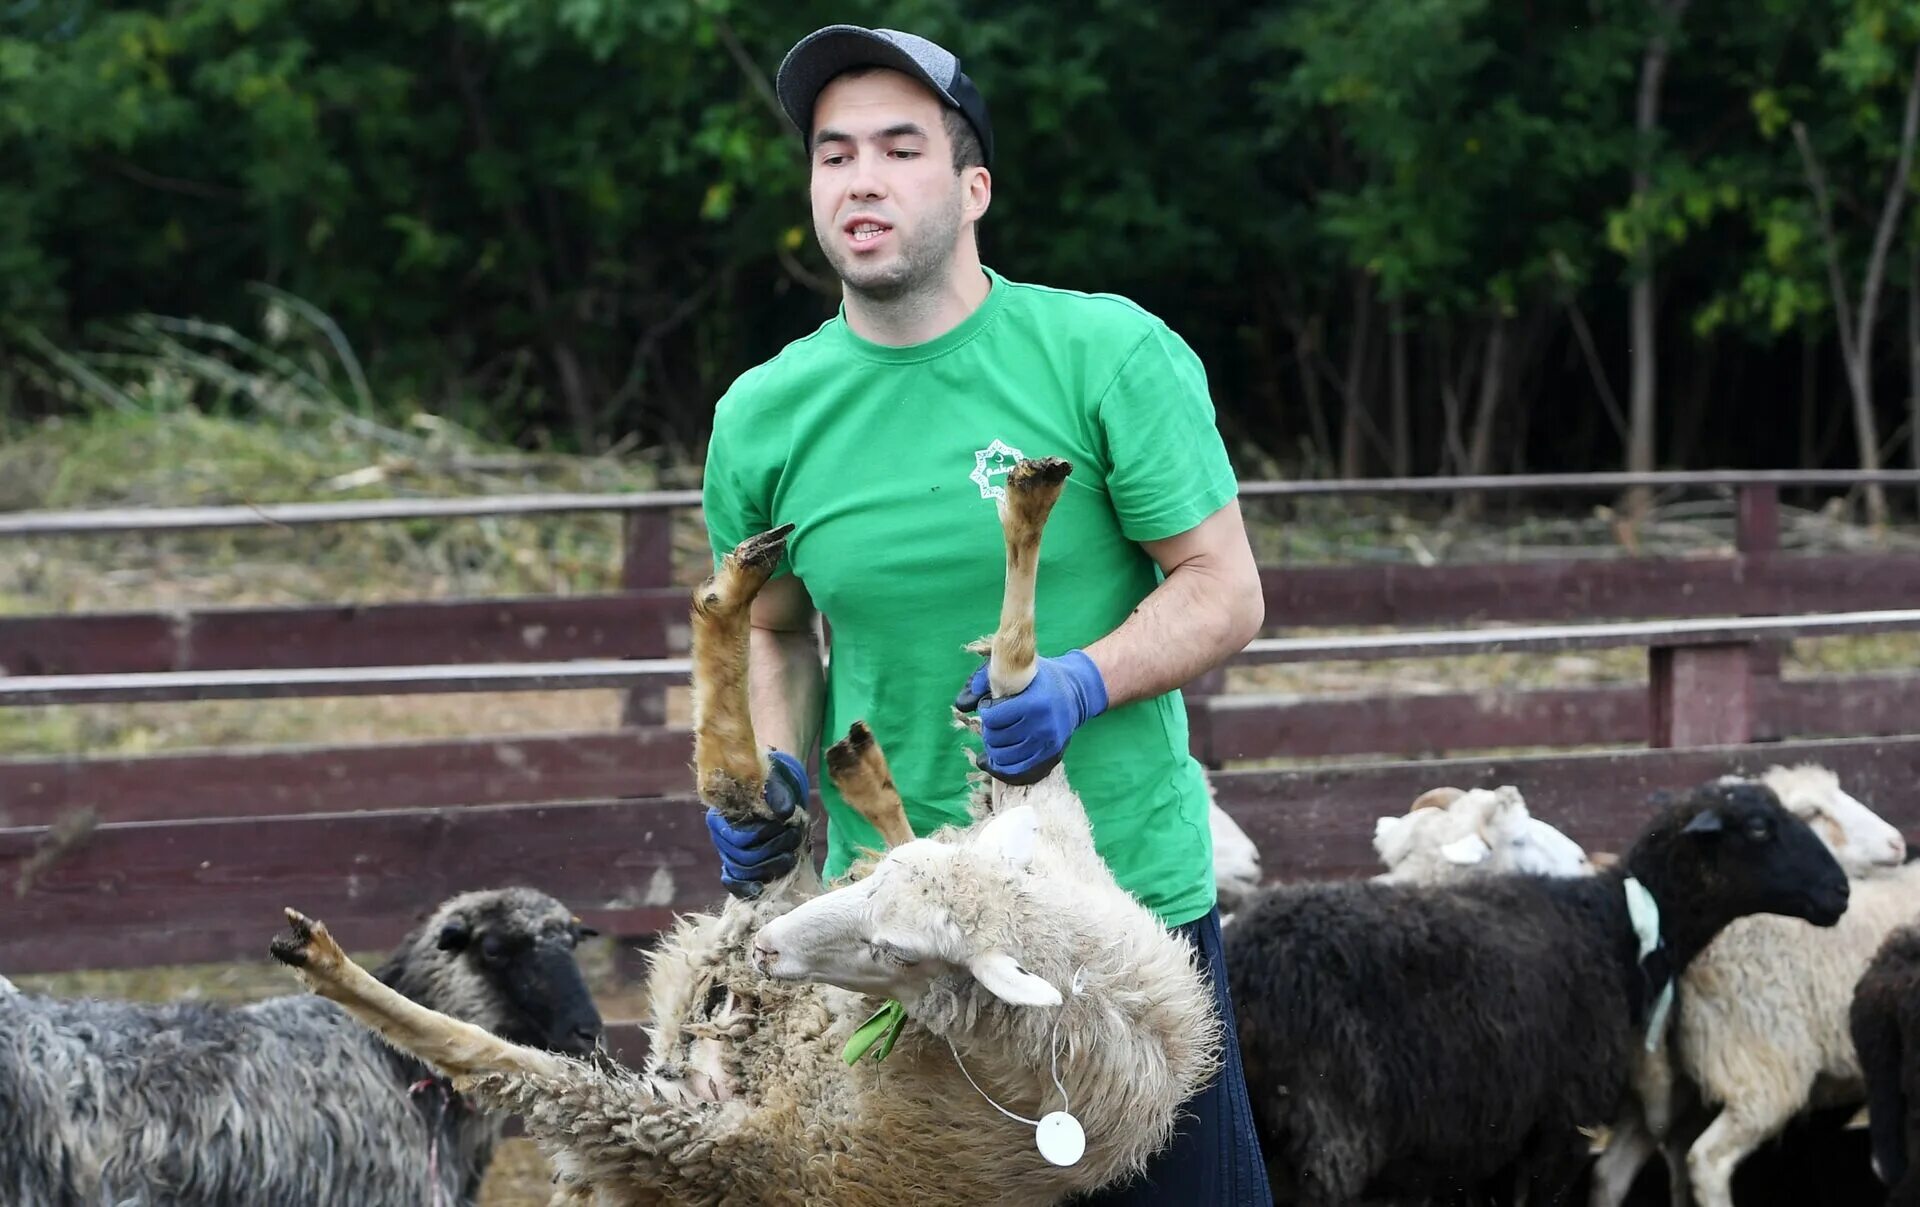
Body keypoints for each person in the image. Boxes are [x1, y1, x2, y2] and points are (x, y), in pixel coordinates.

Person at [697, 24, 1272, 1204]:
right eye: (833, 152)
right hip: (899, 938)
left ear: (973, 187)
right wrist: (770, 772)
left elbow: (1225, 587)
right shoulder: (763, 414)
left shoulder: (1105, 353)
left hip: (1118, 928)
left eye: (899, 149)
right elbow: (768, 628)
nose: (859, 178)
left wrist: (1083, 681)